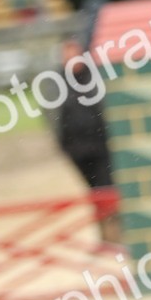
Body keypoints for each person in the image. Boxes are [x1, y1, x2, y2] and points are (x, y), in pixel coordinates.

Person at [49, 38, 120, 244]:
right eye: (67, 54)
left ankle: (114, 235)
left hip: (100, 146)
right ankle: (106, 236)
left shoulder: (95, 77)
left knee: (106, 189)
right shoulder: (58, 82)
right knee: (94, 192)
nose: (71, 59)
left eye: (74, 53)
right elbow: (54, 116)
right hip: (77, 150)